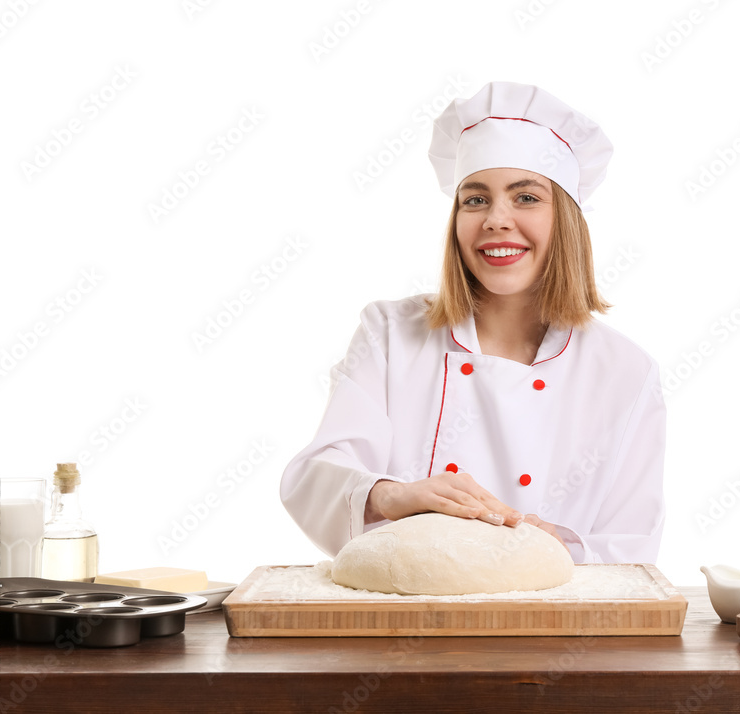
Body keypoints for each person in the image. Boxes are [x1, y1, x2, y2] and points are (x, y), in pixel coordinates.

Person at [280, 81, 666, 564]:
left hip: (556, 630)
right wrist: (391, 494)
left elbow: (633, 548)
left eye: (526, 198)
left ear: (565, 220)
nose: (495, 220)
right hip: (401, 623)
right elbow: (319, 473)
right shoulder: (390, 334)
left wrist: (557, 545)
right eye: (475, 199)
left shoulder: (625, 371)